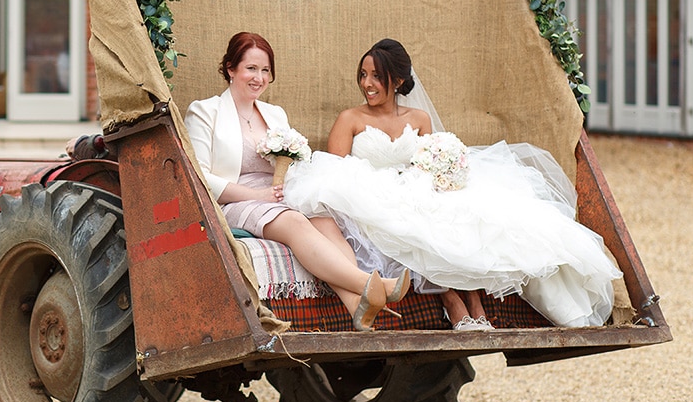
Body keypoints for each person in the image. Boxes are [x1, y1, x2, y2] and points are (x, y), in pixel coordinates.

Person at [285, 38, 621, 329]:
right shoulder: (351, 118)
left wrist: (442, 173)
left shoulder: (419, 119)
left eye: (377, 76)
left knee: (455, 212)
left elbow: (431, 158)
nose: (367, 83)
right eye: (363, 75)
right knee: (418, 222)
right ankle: (455, 305)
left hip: (415, 187)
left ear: (398, 80)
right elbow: (335, 172)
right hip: (368, 195)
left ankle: (475, 307)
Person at [185, 32, 409, 331]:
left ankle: (356, 304)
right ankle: (375, 284)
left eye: (265, 71)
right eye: (251, 68)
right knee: (296, 223)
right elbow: (199, 176)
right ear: (230, 68)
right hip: (235, 199)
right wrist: (258, 194)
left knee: (325, 219)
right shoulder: (205, 111)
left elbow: (295, 165)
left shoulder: (275, 114)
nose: (259, 78)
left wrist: (299, 190)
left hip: (280, 192)